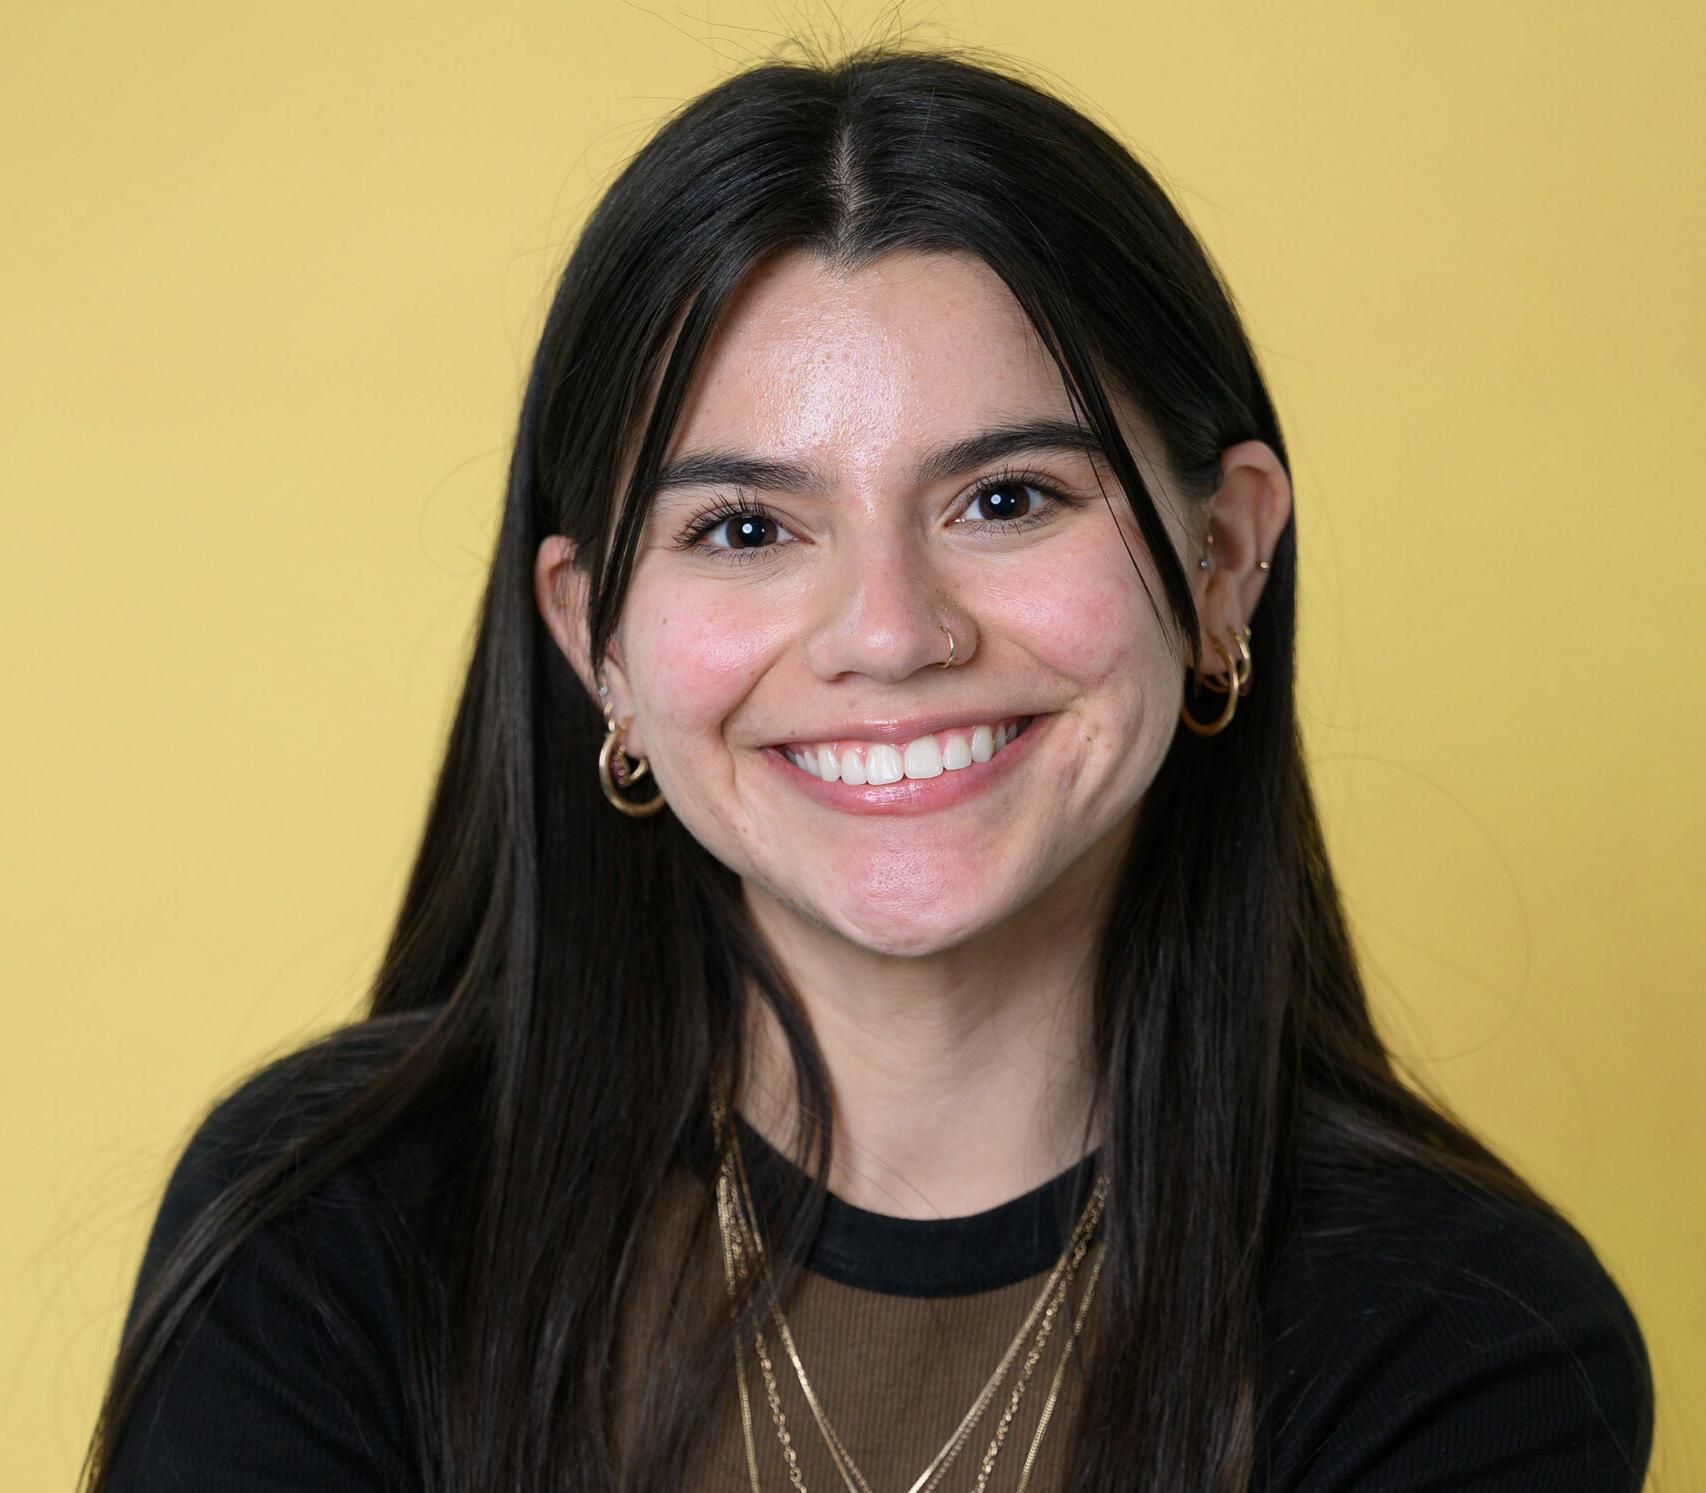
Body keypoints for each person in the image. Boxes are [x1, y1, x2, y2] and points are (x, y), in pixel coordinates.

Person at [83, 41, 1654, 1493]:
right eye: (746, 529)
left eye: (1009, 498)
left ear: (1224, 556)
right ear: (594, 642)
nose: (890, 635)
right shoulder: (327, 1231)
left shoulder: (1468, 1337)